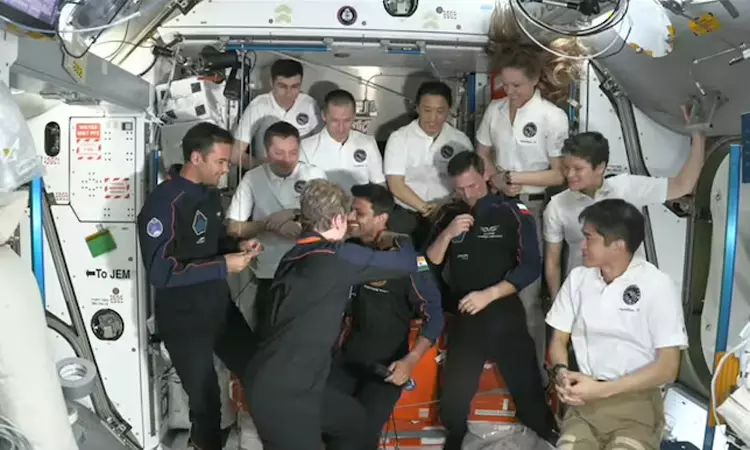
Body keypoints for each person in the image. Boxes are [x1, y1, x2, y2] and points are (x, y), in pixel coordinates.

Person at [243, 179, 421, 450]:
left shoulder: (295, 254)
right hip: (285, 394)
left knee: (352, 421)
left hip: (293, 379)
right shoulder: (336, 257)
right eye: (347, 215)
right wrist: (393, 237)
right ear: (338, 219)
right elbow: (407, 262)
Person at [136, 122, 263, 450]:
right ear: (196, 158)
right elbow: (161, 272)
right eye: (220, 162)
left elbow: (212, 242)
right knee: (206, 400)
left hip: (217, 307)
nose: (225, 170)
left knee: (259, 369)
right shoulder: (165, 203)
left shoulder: (209, 195)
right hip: (184, 318)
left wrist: (238, 248)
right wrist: (223, 265)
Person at [425, 152, 557, 449]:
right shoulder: (448, 215)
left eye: (472, 186)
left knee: (531, 401)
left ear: (485, 175)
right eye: (460, 189)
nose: (467, 194)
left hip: (503, 314)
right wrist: (447, 235)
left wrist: (490, 294)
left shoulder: (511, 211)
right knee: (453, 405)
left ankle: (553, 438)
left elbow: (530, 266)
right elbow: (426, 264)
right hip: (466, 318)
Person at [546, 199, 687, 450]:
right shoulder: (578, 279)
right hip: (585, 402)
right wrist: (562, 373)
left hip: (636, 405)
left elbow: (668, 368)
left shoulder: (657, 285)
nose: (582, 246)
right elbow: (558, 339)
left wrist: (602, 391)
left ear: (618, 245)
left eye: (589, 238)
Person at [475, 43, 571, 375]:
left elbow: (558, 174)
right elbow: (482, 155)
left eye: (517, 85)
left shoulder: (552, 117)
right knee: (490, 285)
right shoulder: (496, 110)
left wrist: (514, 178)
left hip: (531, 209)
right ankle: (493, 360)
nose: (510, 91)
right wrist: (495, 180)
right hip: (498, 205)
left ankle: (535, 371)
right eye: (506, 84)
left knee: (527, 295)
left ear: (534, 80)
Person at [327, 183, 444, 449]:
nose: (350, 217)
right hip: (345, 360)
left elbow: (434, 314)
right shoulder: (348, 251)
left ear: (381, 218)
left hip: (386, 368)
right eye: (350, 210)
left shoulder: (408, 260)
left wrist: (410, 362)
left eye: (359, 212)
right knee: (326, 428)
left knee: (360, 436)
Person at [543, 124, 706, 298]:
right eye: (566, 168)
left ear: (600, 167)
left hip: (632, 291)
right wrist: (557, 301)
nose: (569, 175)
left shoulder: (627, 187)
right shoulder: (557, 205)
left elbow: (682, 185)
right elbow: (552, 261)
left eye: (578, 169)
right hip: (584, 292)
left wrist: (698, 135)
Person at [226, 120, 326, 325]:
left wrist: (294, 215)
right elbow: (233, 227)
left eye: (293, 152)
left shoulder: (314, 175)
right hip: (269, 270)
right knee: (267, 330)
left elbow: (329, 222)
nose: (287, 159)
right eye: (279, 153)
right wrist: (268, 224)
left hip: (309, 268)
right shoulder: (253, 178)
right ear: (266, 153)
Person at [384, 80, 473, 247]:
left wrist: (442, 208)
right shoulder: (399, 139)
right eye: (427, 110)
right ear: (417, 108)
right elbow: (396, 185)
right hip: (406, 214)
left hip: (447, 213)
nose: (433, 119)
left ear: (449, 110)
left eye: (440, 111)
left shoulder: (460, 141)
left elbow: (467, 182)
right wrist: (426, 209)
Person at [232, 59, 320, 168]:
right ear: (271, 83)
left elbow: (321, 146)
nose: (288, 93)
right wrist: (265, 170)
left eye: (294, 86)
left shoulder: (309, 105)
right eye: (282, 86)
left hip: (303, 172)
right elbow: (235, 155)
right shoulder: (258, 106)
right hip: (266, 172)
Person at [300, 89, 385, 191]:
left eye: (347, 120)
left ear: (354, 116)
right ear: (323, 115)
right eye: (335, 121)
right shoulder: (306, 148)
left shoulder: (368, 143)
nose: (341, 128)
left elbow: (380, 186)